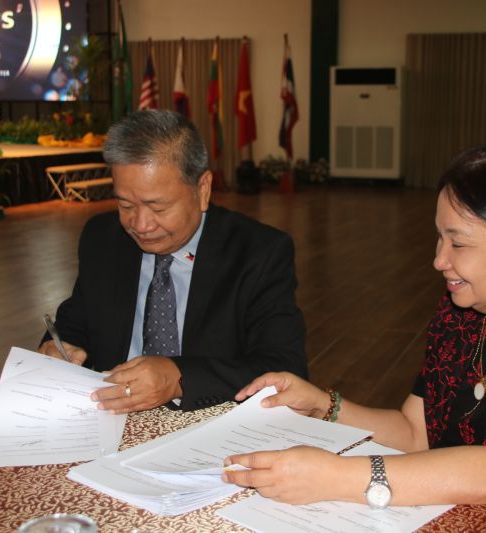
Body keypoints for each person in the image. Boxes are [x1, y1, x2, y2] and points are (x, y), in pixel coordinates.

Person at [222, 146, 486, 531]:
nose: (439, 260)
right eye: (439, 238)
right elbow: (416, 433)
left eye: (458, 243)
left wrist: (336, 476)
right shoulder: (461, 316)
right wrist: (324, 404)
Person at [39, 110, 307, 413]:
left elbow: (285, 368)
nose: (140, 224)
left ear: (202, 189)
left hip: (209, 424)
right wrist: (58, 349)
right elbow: (75, 322)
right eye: (125, 204)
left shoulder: (258, 253)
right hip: (109, 417)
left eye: (158, 207)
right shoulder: (102, 237)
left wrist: (179, 378)